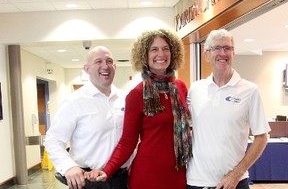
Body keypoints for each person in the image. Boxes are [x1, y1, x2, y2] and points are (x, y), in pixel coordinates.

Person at [84, 28, 193, 189]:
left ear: (173, 53)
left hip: (179, 173)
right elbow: (128, 141)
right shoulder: (137, 94)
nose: (161, 54)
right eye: (154, 49)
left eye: (166, 48)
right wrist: (107, 170)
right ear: (144, 55)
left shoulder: (180, 88)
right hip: (147, 176)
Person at [186, 29, 271, 189]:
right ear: (206, 55)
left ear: (233, 53)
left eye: (228, 48)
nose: (223, 53)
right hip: (196, 181)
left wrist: (236, 173)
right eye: (217, 48)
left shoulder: (250, 90)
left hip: (235, 183)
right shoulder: (195, 89)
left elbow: (262, 137)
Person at [44, 46, 131, 189]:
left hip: (122, 179)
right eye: (98, 61)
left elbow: (133, 137)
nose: (105, 66)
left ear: (115, 66)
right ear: (87, 69)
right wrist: (68, 167)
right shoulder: (74, 101)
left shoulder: (126, 98)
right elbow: (53, 140)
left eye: (109, 61)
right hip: (88, 182)